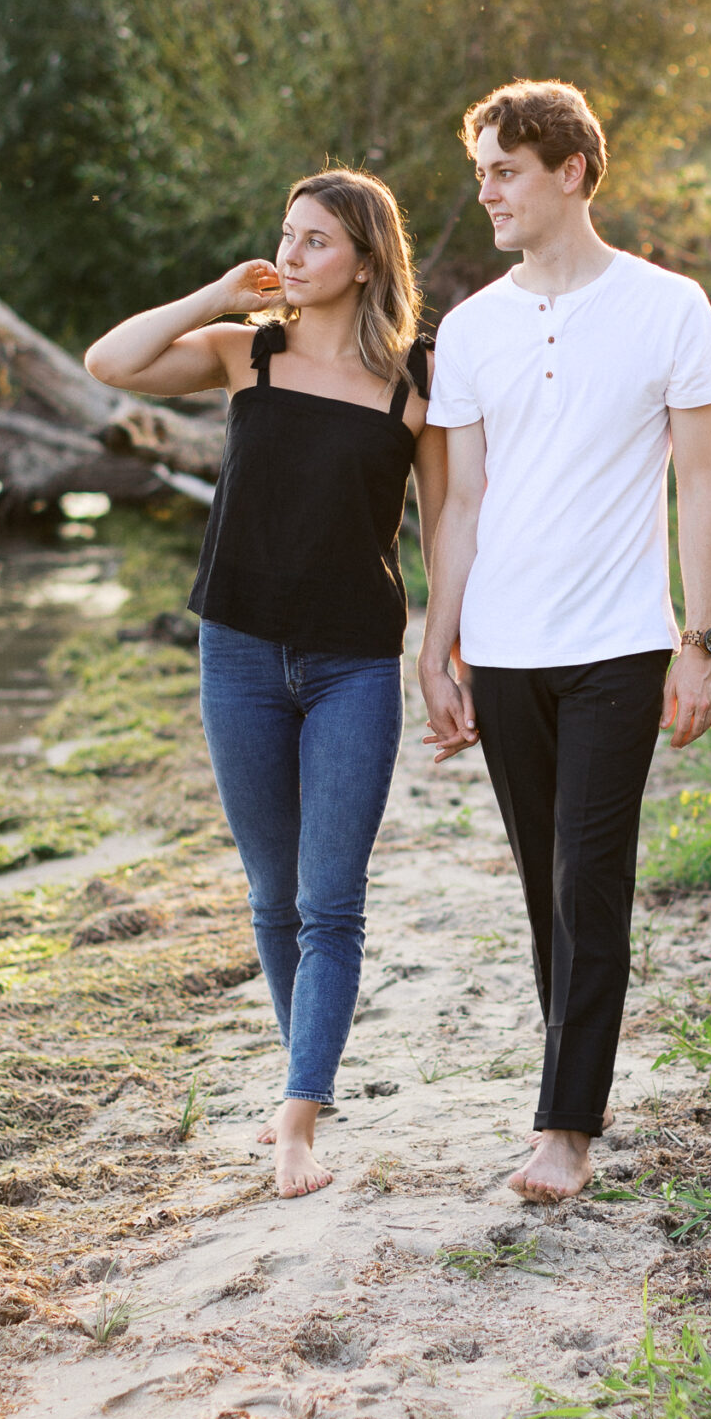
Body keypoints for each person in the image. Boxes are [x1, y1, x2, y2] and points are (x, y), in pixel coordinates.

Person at [84, 170, 443, 1199]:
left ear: (367, 260)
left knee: (332, 902)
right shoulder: (253, 353)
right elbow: (111, 361)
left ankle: (296, 1122)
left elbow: (449, 521)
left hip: (353, 665)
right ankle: (308, 1081)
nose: (292, 255)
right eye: (287, 236)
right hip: (237, 651)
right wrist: (214, 298)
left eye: (317, 241)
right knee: (271, 899)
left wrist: (440, 646)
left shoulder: (414, 385)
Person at [419, 81, 711, 1203]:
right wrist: (436, 644)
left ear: (570, 170)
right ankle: (575, 1088)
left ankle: (565, 1130)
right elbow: (458, 506)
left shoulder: (669, 308)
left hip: (619, 643)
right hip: (503, 651)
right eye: (481, 176)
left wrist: (699, 638)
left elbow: (700, 486)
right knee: (541, 885)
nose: (489, 194)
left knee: (588, 874)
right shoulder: (469, 329)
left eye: (506, 171)